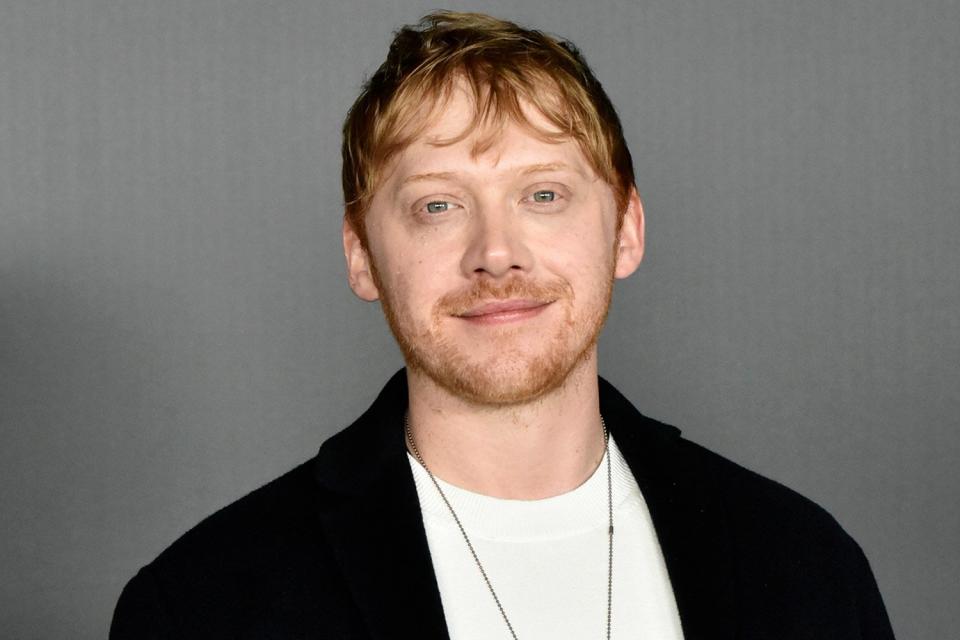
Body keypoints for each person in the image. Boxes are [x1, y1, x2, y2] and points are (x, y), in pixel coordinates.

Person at [111, 11, 895, 639]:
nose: (495, 254)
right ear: (361, 256)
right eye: (437, 206)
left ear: (626, 230)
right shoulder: (203, 605)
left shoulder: (805, 564)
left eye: (544, 195)